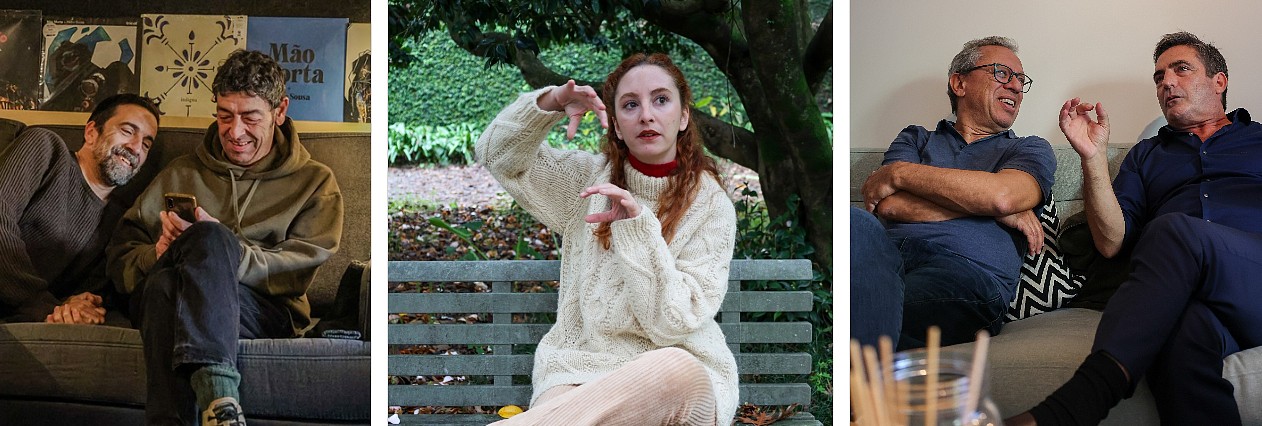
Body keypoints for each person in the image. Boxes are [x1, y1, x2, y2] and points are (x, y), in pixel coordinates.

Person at [1009, 31, 1262, 426]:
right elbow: (1111, 244)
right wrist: (1093, 157)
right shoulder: (1146, 155)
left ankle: (1078, 404)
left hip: (1253, 275)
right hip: (1195, 297)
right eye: (1159, 77)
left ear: (1219, 81)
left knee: (1172, 229)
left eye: (1181, 69)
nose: (1166, 83)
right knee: (1178, 340)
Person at [477, 53, 737, 425]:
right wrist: (551, 102)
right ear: (615, 125)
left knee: (677, 368)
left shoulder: (711, 205)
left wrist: (636, 229)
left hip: (679, 388)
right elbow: (495, 154)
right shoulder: (586, 183)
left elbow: (672, 322)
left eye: (661, 100)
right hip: (580, 373)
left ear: (683, 117)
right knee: (562, 405)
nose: (646, 115)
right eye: (630, 105)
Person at [107, 49, 343, 425]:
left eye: (250, 117)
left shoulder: (315, 182)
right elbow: (122, 257)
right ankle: (221, 407)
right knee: (164, 284)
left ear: (280, 111)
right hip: (169, 294)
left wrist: (220, 249)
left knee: (206, 243)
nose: (235, 132)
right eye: (224, 115)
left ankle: (215, 392)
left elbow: (297, 272)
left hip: (262, 309)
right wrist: (158, 251)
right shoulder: (181, 172)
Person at [853, 36, 1056, 350]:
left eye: (1020, 79)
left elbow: (1003, 196)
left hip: (965, 275)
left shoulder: (1030, 149)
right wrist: (992, 209)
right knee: (855, 222)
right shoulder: (915, 138)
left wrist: (898, 174)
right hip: (889, 256)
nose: (1016, 86)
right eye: (1002, 73)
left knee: (870, 307)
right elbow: (889, 206)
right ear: (960, 83)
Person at [0, 93, 159, 324]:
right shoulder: (46, 148)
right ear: (91, 132)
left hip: (33, 323)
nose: (136, 148)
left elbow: (84, 297)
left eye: (146, 144)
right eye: (127, 131)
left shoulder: (119, 220)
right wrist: (43, 304)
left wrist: (73, 306)